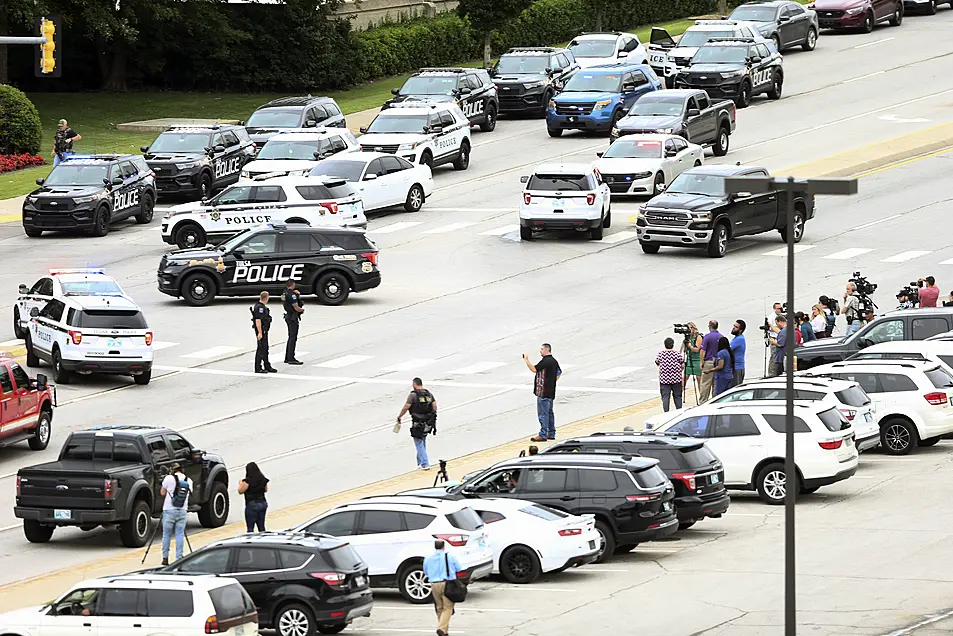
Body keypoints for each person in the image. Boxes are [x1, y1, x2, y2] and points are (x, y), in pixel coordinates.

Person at [397, 378, 437, 470]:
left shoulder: (413, 395)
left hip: (417, 422)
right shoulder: (429, 394)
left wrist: (400, 416)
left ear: (415, 384)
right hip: (427, 422)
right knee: (422, 441)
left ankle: (425, 463)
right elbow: (434, 406)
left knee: (418, 442)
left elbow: (406, 407)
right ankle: (419, 463)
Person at [423, 539, 461, 636]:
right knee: (448, 607)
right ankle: (442, 628)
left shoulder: (428, 558)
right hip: (447, 584)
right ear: (444, 547)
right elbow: (459, 568)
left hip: (434, 584)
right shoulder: (449, 557)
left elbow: (426, 572)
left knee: (439, 607)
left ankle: (444, 631)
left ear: (435, 546)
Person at [524, 344, 561, 442]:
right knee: (549, 412)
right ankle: (551, 432)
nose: (540, 351)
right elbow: (559, 372)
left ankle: (543, 434)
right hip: (551, 391)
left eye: (541, 349)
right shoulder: (554, 361)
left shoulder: (546, 361)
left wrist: (526, 360)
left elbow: (534, 369)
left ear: (546, 350)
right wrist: (551, 382)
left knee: (543, 414)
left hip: (543, 392)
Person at [159, 463, 193, 566]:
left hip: (169, 510)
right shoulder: (189, 480)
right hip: (182, 510)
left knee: (166, 535)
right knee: (179, 534)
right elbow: (190, 493)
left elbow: (162, 493)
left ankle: (165, 558)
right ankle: (179, 558)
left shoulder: (168, 478)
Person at [237, 462, 269, 532]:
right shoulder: (263, 479)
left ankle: (250, 541)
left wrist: (240, 484)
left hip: (252, 504)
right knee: (261, 526)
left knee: (250, 528)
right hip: (263, 503)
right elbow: (266, 490)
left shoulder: (247, 481)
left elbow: (240, 491)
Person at [655, 337, 685, 412]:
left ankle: (666, 412)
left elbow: (657, 362)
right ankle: (679, 411)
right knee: (677, 396)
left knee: (665, 398)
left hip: (664, 380)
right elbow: (682, 364)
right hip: (676, 379)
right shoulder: (677, 354)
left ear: (665, 345)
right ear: (673, 345)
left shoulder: (661, 354)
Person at [698, 320, 723, 403]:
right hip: (718, 362)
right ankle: (715, 402)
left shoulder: (707, 337)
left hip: (709, 362)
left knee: (705, 384)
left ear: (710, 326)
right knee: (715, 385)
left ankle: (703, 402)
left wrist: (701, 362)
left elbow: (703, 350)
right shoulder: (721, 336)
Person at [252, 291, 277, 373]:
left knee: (265, 348)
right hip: (261, 330)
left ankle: (267, 365)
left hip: (264, 330)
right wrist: (260, 332)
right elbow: (258, 320)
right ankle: (258, 367)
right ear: (266, 297)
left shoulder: (262, 306)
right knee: (261, 349)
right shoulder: (260, 308)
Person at [282, 281, 304, 365]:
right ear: (292, 285)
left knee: (290, 337)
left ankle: (287, 357)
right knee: (293, 338)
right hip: (292, 317)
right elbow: (296, 307)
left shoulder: (284, 293)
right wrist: (302, 310)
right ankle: (291, 358)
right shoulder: (292, 295)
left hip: (288, 316)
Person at [682, 322, 703, 396]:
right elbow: (685, 351)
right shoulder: (688, 337)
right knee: (685, 377)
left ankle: (701, 395)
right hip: (689, 359)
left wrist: (690, 346)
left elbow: (697, 349)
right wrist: (685, 344)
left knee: (698, 378)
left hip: (697, 359)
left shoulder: (698, 337)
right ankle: (679, 394)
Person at [730, 320, 747, 387]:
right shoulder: (736, 338)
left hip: (737, 368)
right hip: (736, 367)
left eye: (736, 327)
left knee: (735, 388)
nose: (733, 327)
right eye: (734, 325)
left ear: (740, 330)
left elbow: (728, 349)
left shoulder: (739, 339)